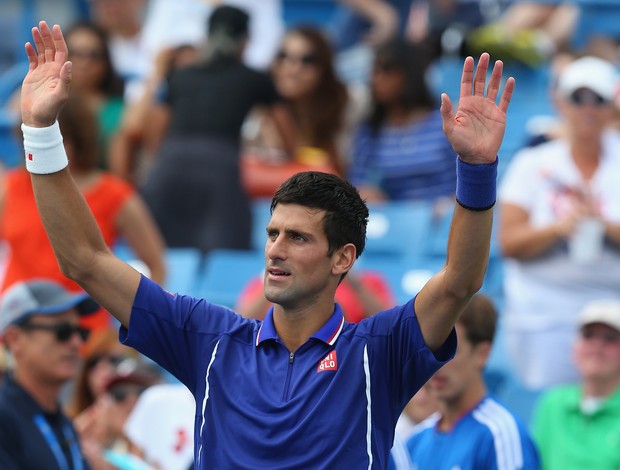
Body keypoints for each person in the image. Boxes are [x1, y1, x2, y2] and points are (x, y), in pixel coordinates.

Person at [19, 20, 514, 468]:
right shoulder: (209, 340)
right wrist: (41, 132)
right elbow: (84, 260)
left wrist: (475, 171)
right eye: (273, 233)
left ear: (343, 258)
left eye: (297, 237)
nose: (275, 248)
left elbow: (459, 283)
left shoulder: (377, 352)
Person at [498, 55, 620, 389]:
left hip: (613, 312)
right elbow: (509, 243)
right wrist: (559, 228)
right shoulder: (531, 162)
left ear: (611, 105)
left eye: (598, 99)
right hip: (543, 314)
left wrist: (604, 226)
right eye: (578, 99)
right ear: (562, 103)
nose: (588, 108)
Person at [0, 93, 166, 334]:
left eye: (54, 136)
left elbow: (157, 267)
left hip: (81, 334)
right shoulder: (10, 187)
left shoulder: (114, 194)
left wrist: (136, 329)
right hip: (16, 331)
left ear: (76, 139)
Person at [139, 5, 293, 252]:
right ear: (244, 41)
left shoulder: (180, 76)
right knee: (224, 251)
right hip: (219, 163)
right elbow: (286, 132)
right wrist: (291, 157)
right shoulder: (254, 78)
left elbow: (155, 133)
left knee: (162, 251)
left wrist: (164, 159)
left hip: (170, 161)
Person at [406, 294, 540, 469]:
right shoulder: (415, 441)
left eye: (449, 351)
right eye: (431, 348)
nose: (436, 364)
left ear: (482, 354)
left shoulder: (501, 435)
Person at [0, 279, 104, 468]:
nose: (76, 344)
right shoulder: (5, 419)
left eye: (81, 332)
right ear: (15, 339)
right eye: (62, 332)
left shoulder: (63, 423)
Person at [348, 37, 456, 203]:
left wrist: (452, 203)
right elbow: (358, 182)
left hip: (447, 218)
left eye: (385, 69)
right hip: (395, 221)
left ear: (409, 73)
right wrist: (368, 194)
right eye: (374, 70)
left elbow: (466, 177)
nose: (375, 79)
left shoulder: (443, 123)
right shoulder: (371, 130)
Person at [532, 299, 620, 470]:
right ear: (575, 348)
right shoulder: (552, 404)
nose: (597, 345)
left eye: (610, 338)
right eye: (588, 335)